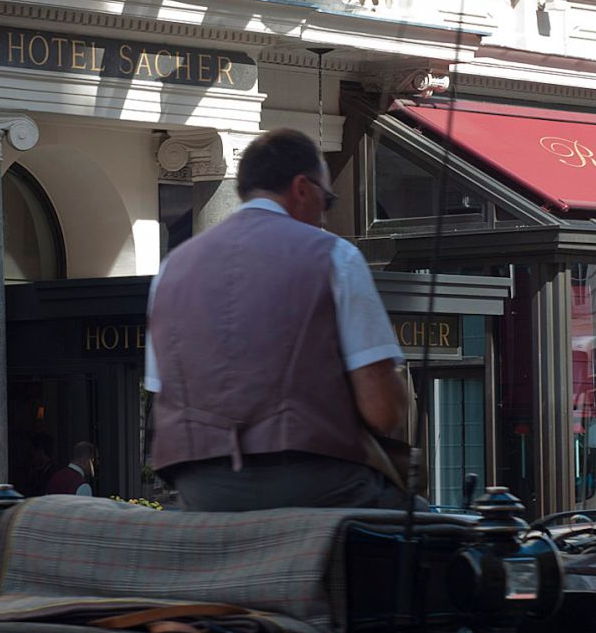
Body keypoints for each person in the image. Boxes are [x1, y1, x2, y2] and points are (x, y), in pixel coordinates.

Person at [146, 128, 410, 511]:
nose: (325, 210)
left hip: (201, 487)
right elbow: (382, 412)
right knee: (414, 534)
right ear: (302, 187)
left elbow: (161, 390)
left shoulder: (171, 270)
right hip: (311, 480)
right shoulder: (335, 256)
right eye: (328, 198)